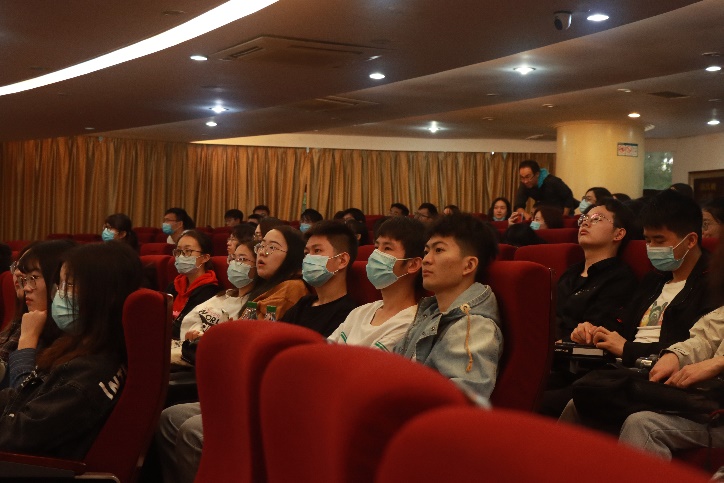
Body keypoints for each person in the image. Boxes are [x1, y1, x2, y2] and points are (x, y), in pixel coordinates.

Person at [559, 191, 719, 422]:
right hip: (623, 370)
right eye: (647, 240)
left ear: (691, 240)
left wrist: (628, 349)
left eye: (659, 241)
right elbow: (622, 324)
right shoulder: (654, 280)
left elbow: (693, 346)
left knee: (578, 399)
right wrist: (594, 332)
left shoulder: (712, 283)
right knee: (575, 397)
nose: (651, 247)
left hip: (663, 376)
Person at [0, 242, 143, 458]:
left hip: (31, 467)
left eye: (70, 285)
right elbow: (24, 394)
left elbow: (17, 435)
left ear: (103, 295)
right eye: (60, 285)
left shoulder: (89, 372)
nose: (58, 295)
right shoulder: (76, 348)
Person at [618, 236, 724, 460]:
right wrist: (675, 355)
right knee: (598, 399)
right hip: (713, 402)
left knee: (643, 425)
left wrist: (718, 363)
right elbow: (705, 337)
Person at [539, 199, 637, 417]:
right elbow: (550, 317)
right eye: (584, 218)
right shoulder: (570, 274)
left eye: (597, 219)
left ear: (618, 234)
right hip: (551, 361)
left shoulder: (620, 278)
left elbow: (597, 330)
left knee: (534, 402)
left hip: (584, 371)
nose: (585, 222)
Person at [395, 213, 502, 399]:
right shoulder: (431, 312)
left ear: (468, 265)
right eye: (426, 251)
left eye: (438, 250)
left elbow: (458, 402)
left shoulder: (474, 327)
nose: (426, 260)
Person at [329, 217, 424, 350]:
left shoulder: (410, 324)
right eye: (376, 247)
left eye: (387, 248)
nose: (376, 254)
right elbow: (325, 350)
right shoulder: (361, 311)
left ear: (413, 264)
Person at [0, 241, 74, 388]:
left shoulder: (68, 340)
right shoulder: (36, 320)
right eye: (25, 279)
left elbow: (22, 397)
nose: (26, 288)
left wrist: (28, 339)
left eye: (33, 278)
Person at [175, 238, 257, 354]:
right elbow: (193, 317)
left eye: (242, 259)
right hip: (192, 349)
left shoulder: (254, 305)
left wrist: (207, 337)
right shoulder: (224, 295)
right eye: (233, 258)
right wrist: (196, 332)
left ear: (258, 265)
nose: (234, 264)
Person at [282, 221, 358, 336]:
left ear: (342, 260)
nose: (308, 258)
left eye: (317, 250)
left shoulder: (349, 313)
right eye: (306, 253)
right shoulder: (304, 303)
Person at [247, 225, 310, 319]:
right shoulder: (268, 285)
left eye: (272, 247)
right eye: (262, 246)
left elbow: (257, 327)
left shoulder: (292, 288)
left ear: (293, 255)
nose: (262, 252)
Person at [169, 231, 220, 340]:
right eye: (178, 251)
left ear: (205, 257)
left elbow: (184, 327)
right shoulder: (174, 285)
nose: (181, 256)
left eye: (188, 251)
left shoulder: (210, 291)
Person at [513, 159, 578, 216]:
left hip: (563, 210)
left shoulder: (552, 181)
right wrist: (526, 215)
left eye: (528, 177)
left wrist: (564, 217)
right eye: (522, 177)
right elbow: (518, 205)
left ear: (537, 174)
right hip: (545, 213)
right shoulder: (524, 183)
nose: (525, 181)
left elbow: (568, 195)